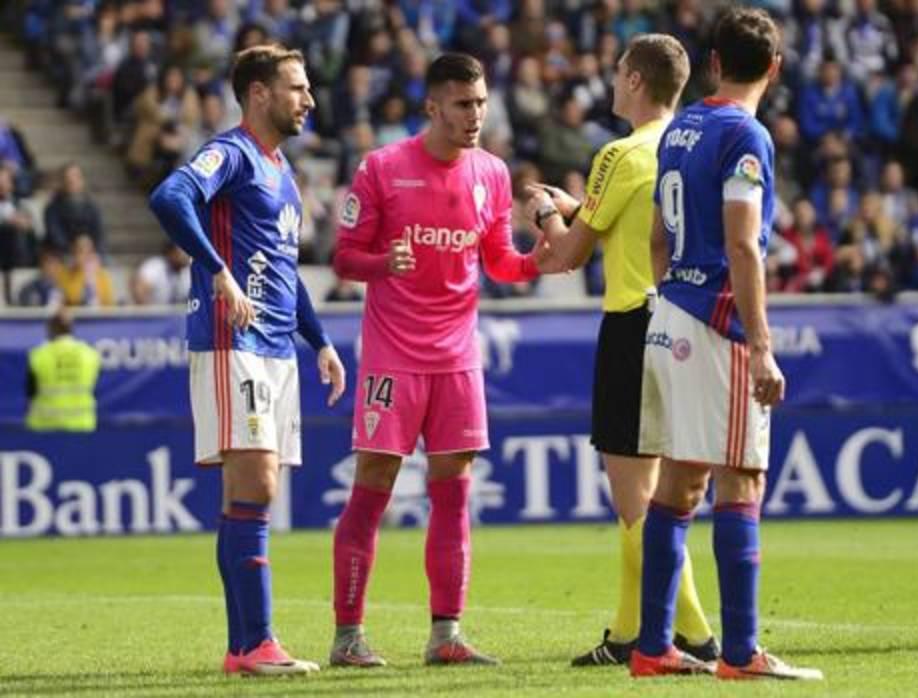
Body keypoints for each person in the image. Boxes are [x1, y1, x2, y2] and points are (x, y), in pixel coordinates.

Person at [328, 52, 556, 669]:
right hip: (392, 358)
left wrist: (539, 259)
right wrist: (383, 264)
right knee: (372, 490)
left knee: (454, 496)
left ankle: (446, 635)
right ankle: (348, 637)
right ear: (432, 107)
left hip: (457, 358)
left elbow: (499, 261)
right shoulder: (382, 168)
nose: (475, 115)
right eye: (462, 104)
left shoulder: (492, 173)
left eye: (481, 102)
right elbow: (345, 258)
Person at [631, 7, 822, 681]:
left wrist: (673, 300)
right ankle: (741, 653)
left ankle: (653, 647)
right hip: (718, 324)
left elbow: (657, 237)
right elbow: (744, 242)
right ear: (774, 69)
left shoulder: (681, 127)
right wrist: (761, 343)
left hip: (670, 311)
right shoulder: (747, 136)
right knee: (741, 476)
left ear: (714, 64)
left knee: (682, 482)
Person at [148, 44, 345, 676]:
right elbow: (170, 196)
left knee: (252, 494)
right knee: (256, 485)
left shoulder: (281, 171)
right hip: (235, 341)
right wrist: (218, 272)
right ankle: (256, 642)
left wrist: (322, 343)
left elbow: (286, 272)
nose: (308, 99)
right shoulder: (230, 153)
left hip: (278, 348)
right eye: (296, 87)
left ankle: (244, 649)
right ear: (258, 93)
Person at [522, 34, 718, 668]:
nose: (610, 82)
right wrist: (580, 211)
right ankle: (628, 633)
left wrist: (546, 213)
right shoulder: (693, 146)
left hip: (633, 324)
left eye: (616, 73)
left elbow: (567, 255)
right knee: (660, 494)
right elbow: (640, 224)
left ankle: (691, 634)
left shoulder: (619, 153)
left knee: (636, 503)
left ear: (635, 80)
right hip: (685, 323)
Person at [26, 309, 101, 432]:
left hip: (45, 426)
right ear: (71, 328)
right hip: (81, 425)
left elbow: (30, 391)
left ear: (51, 329)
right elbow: (95, 388)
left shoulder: (39, 355)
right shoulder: (89, 354)